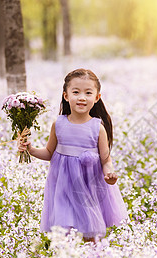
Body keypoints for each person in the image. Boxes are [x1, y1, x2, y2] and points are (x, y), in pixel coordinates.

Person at [18, 68, 128, 243]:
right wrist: (30, 149)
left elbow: (105, 159)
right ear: (66, 96)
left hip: (88, 186)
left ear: (97, 97)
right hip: (62, 185)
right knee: (62, 229)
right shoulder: (58, 124)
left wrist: (109, 174)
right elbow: (49, 153)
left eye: (88, 93)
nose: (82, 97)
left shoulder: (97, 127)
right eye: (75, 92)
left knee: (90, 230)